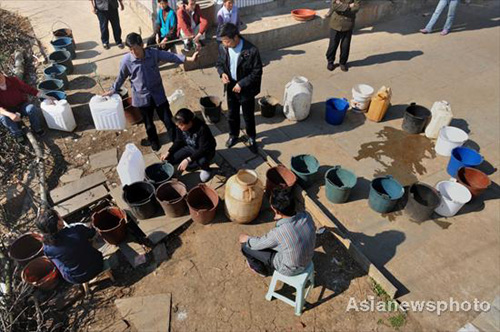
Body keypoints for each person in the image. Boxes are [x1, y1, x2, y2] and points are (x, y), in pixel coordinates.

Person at [104, 33, 198, 152]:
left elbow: (170, 56)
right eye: (130, 50)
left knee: (168, 120)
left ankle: (176, 141)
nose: (133, 52)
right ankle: (154, 141)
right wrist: (113, 89)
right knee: (148, 123)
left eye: (136, 49)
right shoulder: (126, 61)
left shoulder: (153, 53)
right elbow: (121, 77)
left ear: (142, 45)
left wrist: (189, 59)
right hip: (142, 97)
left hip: (158, 94)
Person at [239, 189, 316, 277]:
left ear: (277, 211)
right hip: (308, 259)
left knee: (245, 247)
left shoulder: (280, 232)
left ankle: (262, 271)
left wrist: (247, 239)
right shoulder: (306, 215)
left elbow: (258, 244)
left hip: (289, 269)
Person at [215, 23, 263, 154]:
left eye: (227, 41)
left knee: (248, 115)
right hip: (231, 85)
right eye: (223, 41)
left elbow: (257, 71)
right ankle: (233, 135)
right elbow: (219, 63)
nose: (225, 44)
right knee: (232, 114)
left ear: (235, 37)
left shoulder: (251, 50)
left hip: (246, 88)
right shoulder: (223, 48)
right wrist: (222, 74)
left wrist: (241, 83)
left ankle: (251, 137)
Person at [36, 209, 104, 284]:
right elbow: (92, 233)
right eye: (59, 216)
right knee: (85, 242)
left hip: (76, 278)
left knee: (56, 259)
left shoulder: (47, 247)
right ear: (58, 223)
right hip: (97, 265)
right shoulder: (75, 230)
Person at [160, 108, 216, 182]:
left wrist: (188, 159)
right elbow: (178, 141)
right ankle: (191, 163)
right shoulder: (179, 127)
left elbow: (203, 149)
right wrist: (169, 151)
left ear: (189, 122)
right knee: (169, 159)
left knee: (201, 161)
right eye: (178, 125)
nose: (179, 127)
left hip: (205, 151)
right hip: (189, 147)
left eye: (181, 125)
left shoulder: (202, 129)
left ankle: (206, 169)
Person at [0, 72, 47, 143]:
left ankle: (36, 128)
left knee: (31, 108)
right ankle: (18, 134)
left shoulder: (13, 80)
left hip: (21, 105)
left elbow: (29, 89)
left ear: (2, 74)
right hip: (8, 110)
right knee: (3, 118)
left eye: (0, 76)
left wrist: (46, 96)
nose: (0, 80)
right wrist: (10, 114)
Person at [324, 0, 360, 72]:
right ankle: (330, 62)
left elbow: (356, 8)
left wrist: (341, 6)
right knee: (333, 44)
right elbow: (334, 5)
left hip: (348, 24)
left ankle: (343, 63)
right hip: (335, 23)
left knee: (345, 46)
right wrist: (348, 6)